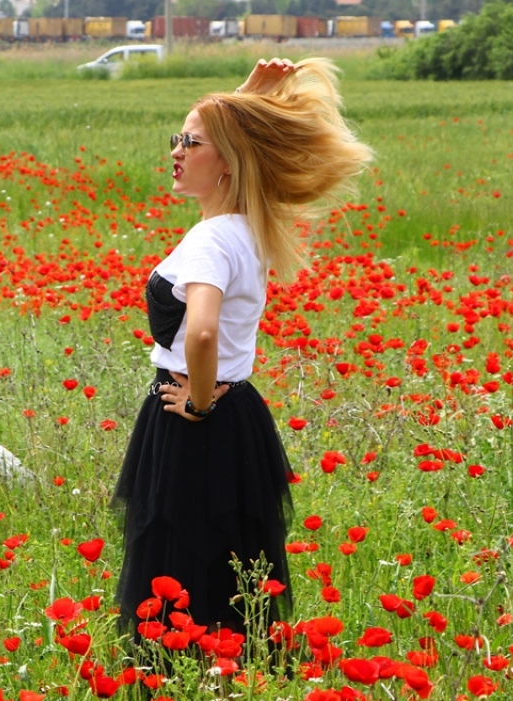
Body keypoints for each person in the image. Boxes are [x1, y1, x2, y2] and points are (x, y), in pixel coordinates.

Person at [113, 58, 373, 636]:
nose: (176, 151)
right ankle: (230, 676)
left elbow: (201, 331)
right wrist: (242, 100)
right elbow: (229, 147)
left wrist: (199, 403)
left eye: (191, 143)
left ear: (227, 163)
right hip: (238, 416)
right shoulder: (246, 226)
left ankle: (176, 679)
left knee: (179, 560)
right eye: (177, 139)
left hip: (192, 413)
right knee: (225, 561)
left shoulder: (209, 239)